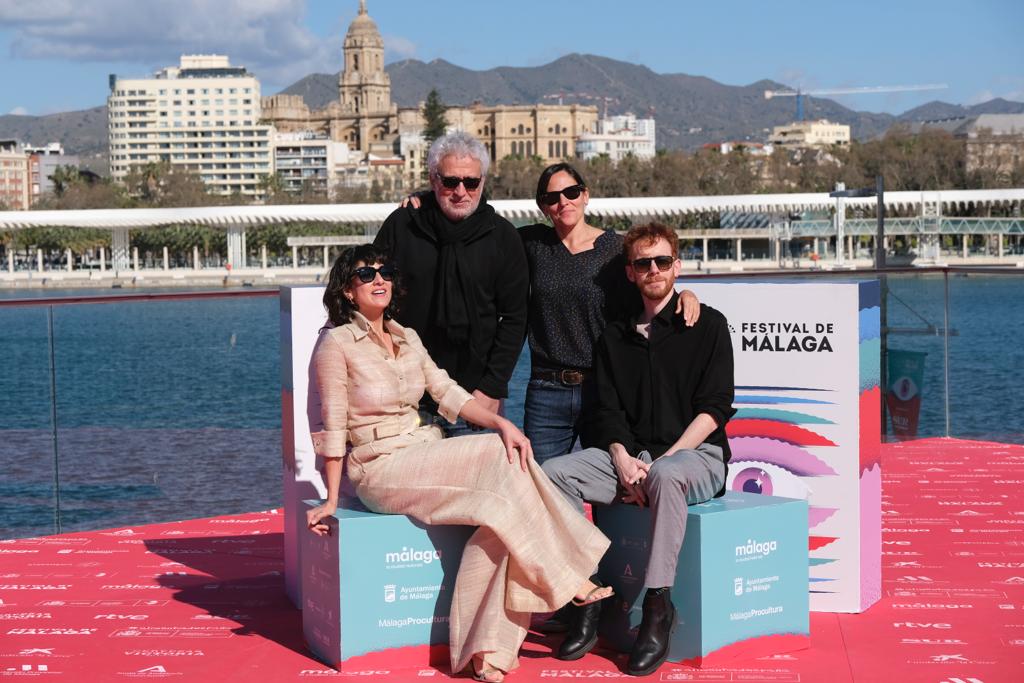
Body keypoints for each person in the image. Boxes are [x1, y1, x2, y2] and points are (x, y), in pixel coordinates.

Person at [305, 244, 613, 683]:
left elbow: (448, 392)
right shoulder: (335, 344)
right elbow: (332, 427)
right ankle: (569, 576)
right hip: (378, 466)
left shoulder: (406, 336)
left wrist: (500, 423)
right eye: (366, 274)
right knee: (493, 453)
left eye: (386, 271)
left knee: (502, 519)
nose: (379, 280)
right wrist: (332, 499)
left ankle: (487, 655)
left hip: (419, 448)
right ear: (348, 291)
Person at [541, 223, 736, 677]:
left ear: (677, 267)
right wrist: (622, 458)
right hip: (633, 458)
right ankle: (587, 590)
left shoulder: (707, 325)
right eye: (644, 263)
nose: (654, 270)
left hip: (696, 457)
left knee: (667, 475)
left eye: (663, 261)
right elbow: (605, 411)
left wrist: (663, 461)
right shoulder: (613, 337)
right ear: (630, 273)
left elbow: (714, 409)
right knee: (553, 472)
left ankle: (657, 604)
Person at [519, 164, 700, 463]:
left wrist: (687, 295)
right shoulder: (532, 244)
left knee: (610, 485)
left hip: (603, 390)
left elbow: (652, 285)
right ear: (543, 207)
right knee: (543, 488)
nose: (563, 201)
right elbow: (484, 231)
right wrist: (419, 202)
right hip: (546, 392)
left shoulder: (615, 250)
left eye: (571, 192)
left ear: (585, 195)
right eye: (552, 198)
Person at [374, 132, 528, 437]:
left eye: (471, 182)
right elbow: (372, 299)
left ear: (482, 182)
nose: (461, 191)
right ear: (434, 180)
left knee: (475, 485)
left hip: (475, 398)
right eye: (450, 181)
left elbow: (515, 319)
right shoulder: (402, 226)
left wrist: (492, 389)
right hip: (407, 396)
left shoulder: (503, 237)